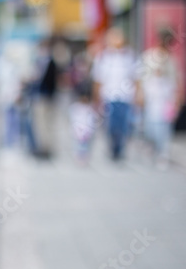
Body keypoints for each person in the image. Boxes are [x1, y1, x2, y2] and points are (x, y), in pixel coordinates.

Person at [138, 27, 182, 170]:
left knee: (164, 127)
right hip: (152, 97)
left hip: (166, 98)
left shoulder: (172, 60)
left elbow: (177, 81)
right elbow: (140, 77)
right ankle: (154, 147)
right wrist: (140, 94)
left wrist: (177, 100)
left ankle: (163, 154)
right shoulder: (149, 56)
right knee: (151, 126)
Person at [92, 27, 137, 161]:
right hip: (109, 97)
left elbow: (136, 77)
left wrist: (138, 95)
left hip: (125, 97)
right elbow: (98, 79)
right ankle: (112, 148)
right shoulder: (103, 57)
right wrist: (96, 98)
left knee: (124, 125)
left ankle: (120, 149)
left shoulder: (129, 56)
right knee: (111, 125)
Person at [69, 84, 97, 166]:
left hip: (87, 131)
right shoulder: (75, 107)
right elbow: (73, 119)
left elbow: (92, 120)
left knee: (86, 145)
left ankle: (85, 158)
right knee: (78, 145)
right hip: (78, 130)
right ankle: (78, 157)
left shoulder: (90, 108)